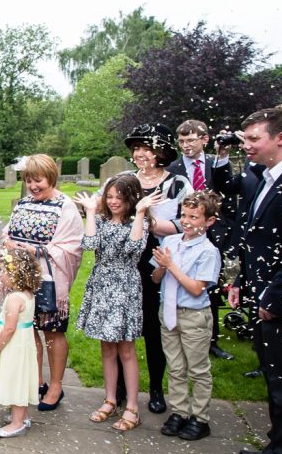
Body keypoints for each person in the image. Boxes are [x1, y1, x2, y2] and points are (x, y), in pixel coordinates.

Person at [229, 106, 282, 454]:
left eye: (254, 138)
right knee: (274, 377)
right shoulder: (266, 177)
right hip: (262, 292)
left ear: (280, 138)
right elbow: (259, 240)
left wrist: (276, 298)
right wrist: (242, 279)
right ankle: (277, 446)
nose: (247, 145)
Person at [74, 174, 160, 432]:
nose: (112, 202)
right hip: (101, 284)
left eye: (119, 198)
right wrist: (90, 212)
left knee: (126, 349)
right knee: (107, 348)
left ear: (131, 198)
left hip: (125, 288)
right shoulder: (100, 220)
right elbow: (89, 244)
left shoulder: (139, 222)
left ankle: (132, 406)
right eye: (109, 196)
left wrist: (142, 212)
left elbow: (134, 248)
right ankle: (110, 399)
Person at [120, 124, 192, 414]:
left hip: (158, 262)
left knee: (153, 327)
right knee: (124, 326)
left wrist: (153, 222)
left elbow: (188, 222)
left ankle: (157, 388)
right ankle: (123, 388)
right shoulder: (125, 181)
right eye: (136, 148)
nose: (139, 153)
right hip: (126, 261)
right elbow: (107, 209)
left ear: (160, 151)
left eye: (146, 148)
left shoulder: (177, 184)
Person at [4, 154, 83, 411]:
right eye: (29, 181)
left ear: (51, 178)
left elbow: (71, 247)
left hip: (49, 280)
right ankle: (36, 380)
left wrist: (34, 251)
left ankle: (56, 385)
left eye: (38, 181)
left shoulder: (65, 206)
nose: (33, 186)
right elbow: (9, 230)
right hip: (23, 280)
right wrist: (9, 242)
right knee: (28, 330)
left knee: (52, 333)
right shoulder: (24, 203)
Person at [152, 191, 222, 441]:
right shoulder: (170, 243)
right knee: (175, 366)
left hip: (193, 316)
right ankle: (179, 411)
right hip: (168, 312)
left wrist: (172, 266)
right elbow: (155, 278)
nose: (188, 221)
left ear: (209, 221)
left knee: (198, 369)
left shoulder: (207, 251)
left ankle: (200, 417)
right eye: (184, 215)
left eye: (194, 216)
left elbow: (195, 288)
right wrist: (161, 267)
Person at [169, 119, 234, 360]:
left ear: (204, 139)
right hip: (184, 232)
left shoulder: (215, 164)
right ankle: (179, 331)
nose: (186, 145)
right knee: (185, 282)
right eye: (182, 141)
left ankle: (212, 339)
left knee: (211, 286)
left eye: (191, 140)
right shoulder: (174, 168)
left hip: (214, 232)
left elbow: (229, 193)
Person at [0, 249, 42, 438]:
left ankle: (17, 423)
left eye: (3, 272)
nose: (0, 275)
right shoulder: (27, 294)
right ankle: (22, 415)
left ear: (16, 275)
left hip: (13, 346)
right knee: (21, 378)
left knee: (15, 380)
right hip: (23, 344)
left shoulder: (15, 299)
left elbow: (9, 328)